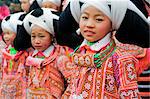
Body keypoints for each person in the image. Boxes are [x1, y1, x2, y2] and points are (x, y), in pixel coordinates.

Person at [57, 0, 149, 98]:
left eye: (99, 19)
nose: (89, 24)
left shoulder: (121, 60)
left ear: (112, 24)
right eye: (85, 17)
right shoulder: (80, 53)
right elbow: (73, 87)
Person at [23, 8, 73, 98]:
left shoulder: (60, 58)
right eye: (33, 36)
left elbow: (73, 81)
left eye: (41, 36)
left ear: (52, 37)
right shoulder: (32, 55)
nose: (37, 41)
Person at [0, 12, 28, 99]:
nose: (6, 37)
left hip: (21, 88)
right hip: (6, 87)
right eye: (4, 33)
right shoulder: (5, 51)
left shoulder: (26, 53)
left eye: (9, 33)